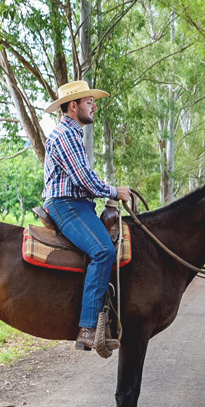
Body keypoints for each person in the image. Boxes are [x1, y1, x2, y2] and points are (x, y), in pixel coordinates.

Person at [43, 79, 132, 352]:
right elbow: (85, 181)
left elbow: (87, 177)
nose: (94, 106)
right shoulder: (66, 135)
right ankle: (88, 327)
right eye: (89, 102)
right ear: (73, 106)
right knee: (103, 251)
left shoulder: (73, 135)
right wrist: (114, 191)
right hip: (67, 204)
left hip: (76, 203)